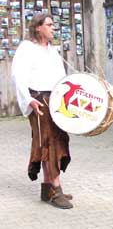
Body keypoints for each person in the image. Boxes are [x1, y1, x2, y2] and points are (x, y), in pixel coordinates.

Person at [11, 13, 73, 209]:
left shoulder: (53, 50)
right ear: (38, 27)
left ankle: (47, 189)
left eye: (53, 24)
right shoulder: (27, 48)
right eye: (49, 24)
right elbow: (18, 75)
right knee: (48, 143)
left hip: (55, 100)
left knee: (57, 140)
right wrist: (28, 100)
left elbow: (61, 76)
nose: (53, 28)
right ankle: (56, 189)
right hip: (38, 100)